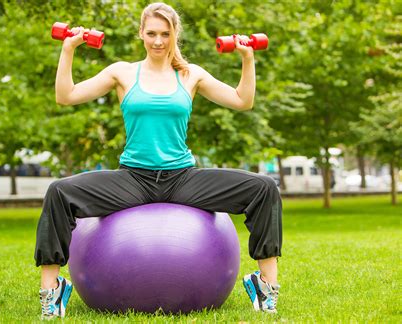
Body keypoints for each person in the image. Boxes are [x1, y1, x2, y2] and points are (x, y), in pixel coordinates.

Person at [36, 2, 282, 319]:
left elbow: (242, 100)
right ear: (141, 33)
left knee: (264, 188)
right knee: (59, 191)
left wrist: (248, 59)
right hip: (133, 179)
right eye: (151, 33)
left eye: (165, 34)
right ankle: (51, 293)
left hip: (182, 178)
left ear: (174, 34)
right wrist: (68, 48)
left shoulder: (191, 75)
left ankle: (266, 287)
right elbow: (65, 95)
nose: (158, 41)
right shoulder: (122, 72)